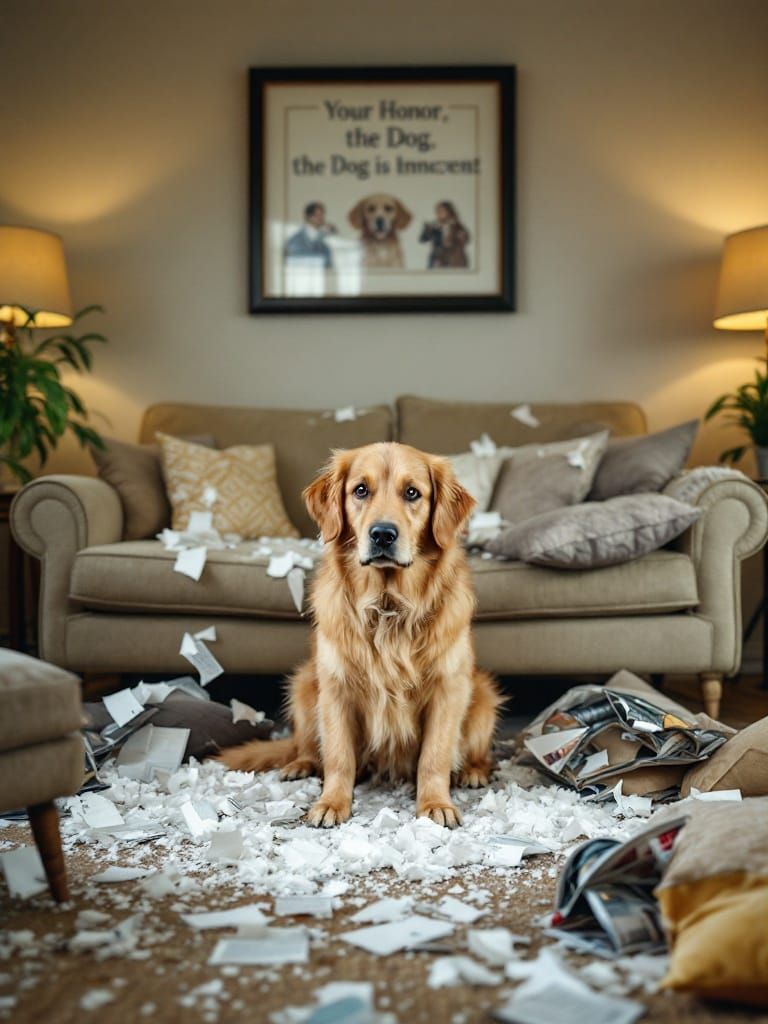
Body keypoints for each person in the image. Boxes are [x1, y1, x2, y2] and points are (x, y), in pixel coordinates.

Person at [419, 201, 470, 268]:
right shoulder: (433, 225)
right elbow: (422, 240)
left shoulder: (457, 225)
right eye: (437, 211)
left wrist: (454, 231)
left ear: (449, 211)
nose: (438, 213)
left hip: (454, 262)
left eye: (441, 210)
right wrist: (428, 230)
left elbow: (465, 240)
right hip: (437, 261)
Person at [284, 202, 337, 269]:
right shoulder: (295, 240)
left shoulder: (324, 238)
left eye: (322, 215)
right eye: (317, 215)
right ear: (309, 217)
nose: (321, 218)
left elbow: (328, 263)